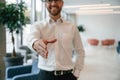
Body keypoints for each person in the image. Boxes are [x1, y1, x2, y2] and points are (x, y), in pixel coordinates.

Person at [28, 0, 85, 80]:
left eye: (57, 0)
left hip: (67, 76)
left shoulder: (72, 27)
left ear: (62, 3)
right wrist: (35, 43)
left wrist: (76, 73)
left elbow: (80, 51)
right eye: (50, 0)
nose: (53, 3)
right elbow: (31, 38)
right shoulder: (38, 26)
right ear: (45, 4)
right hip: (45, 76)